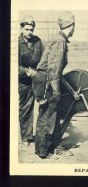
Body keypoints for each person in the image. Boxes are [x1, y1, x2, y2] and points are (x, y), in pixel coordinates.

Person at [34, 11, 75, 159]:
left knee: (49, 114)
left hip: (45, 79)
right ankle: (43, 151)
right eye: (74, 26)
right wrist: (56, 90)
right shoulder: (60, 41)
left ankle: (48, 147)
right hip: (47, 81)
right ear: (71, 26)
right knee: (48, 116)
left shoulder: (57, 39)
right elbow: (54, 67)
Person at [18, 15, 43, 146]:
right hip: (24, 81)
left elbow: (43, 58)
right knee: (26, 109)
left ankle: (41, 135)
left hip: (37, 78)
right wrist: (26, 71)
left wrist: (39, 71)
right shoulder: (16, 43)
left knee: (44, 106)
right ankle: (26, 137)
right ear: (21, 28)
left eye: (31, 29)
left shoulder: (38, 41)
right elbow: (12, 65)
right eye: (27, 29)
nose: (29, 32)